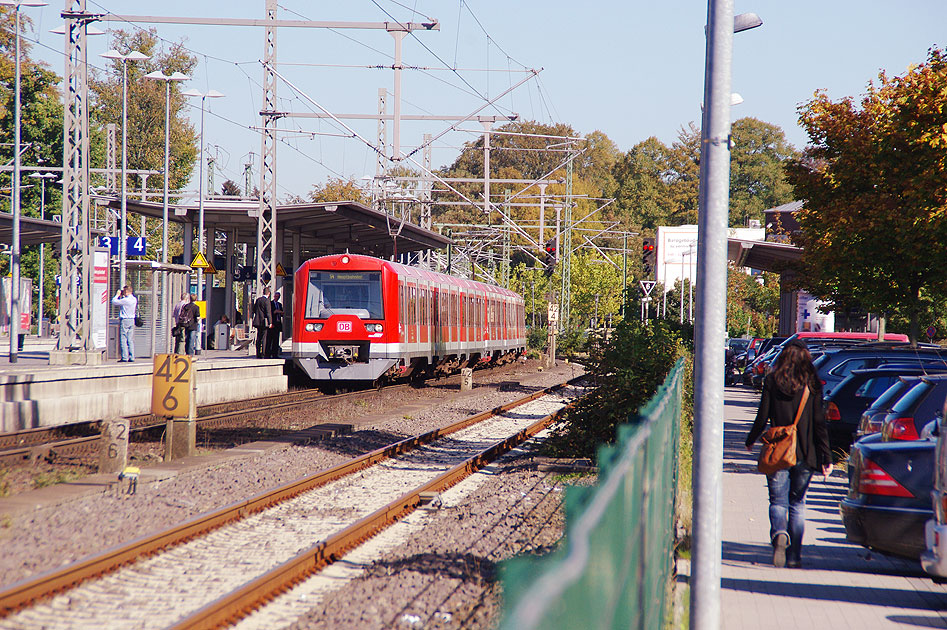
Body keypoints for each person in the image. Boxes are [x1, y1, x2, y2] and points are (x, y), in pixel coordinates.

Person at [745, 339, 832, 568]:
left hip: (778, 451)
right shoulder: (812, 383)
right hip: (806, 452)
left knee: (777, 501)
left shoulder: (772, 380)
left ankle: (780, 534)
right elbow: (819, 422)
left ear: (783, 356)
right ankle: (794, 556)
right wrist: (827, 457)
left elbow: (762, 415)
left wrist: (751, 440)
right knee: (798, 504)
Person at [111, 285, 138, 362]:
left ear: (126, 291)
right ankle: (132, 356)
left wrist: (117, 295)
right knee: (130, 339)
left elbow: (114, 301)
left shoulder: (126, 300)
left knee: (123, 338)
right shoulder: (134, 299)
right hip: (132, 319)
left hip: (125, 319)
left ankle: (125, 357)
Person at [252, 286, 272, 359]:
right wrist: (270, 322)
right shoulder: (267, 301)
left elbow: (253, 309)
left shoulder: (258, 300)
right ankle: (264, 353)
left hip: (257, 321)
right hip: (264, 322)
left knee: (258, 337)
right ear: (269, 293)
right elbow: (268, 312)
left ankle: (258, 353)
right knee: (264, 338)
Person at [267, 291, 284, 358]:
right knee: (270, 339)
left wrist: (280, 312)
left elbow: (282, 312)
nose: (277, 298)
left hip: (278, 323)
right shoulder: (270, 304)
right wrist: (275, 312)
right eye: (276, 296)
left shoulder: (279, 305)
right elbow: (270, 312)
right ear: (274, 297)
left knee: (276, 340)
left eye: (278, 297)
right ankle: (268, 353)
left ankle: (275, 354)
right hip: (272, 323)